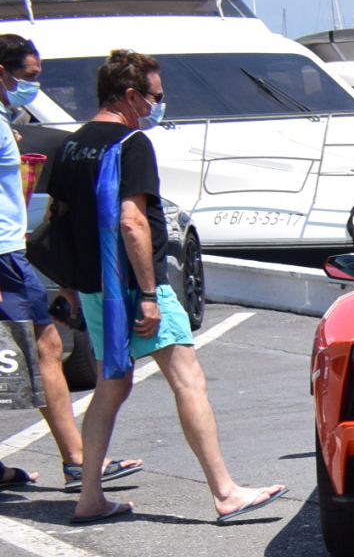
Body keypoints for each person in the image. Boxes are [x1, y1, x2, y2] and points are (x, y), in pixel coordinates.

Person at [40, 48, 283, 525]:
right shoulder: (129, 144)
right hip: (129, 285)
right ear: (132, 96)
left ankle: (89, 496)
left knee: (112, 385)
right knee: (188, 379)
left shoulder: (71, 145)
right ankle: (226, 492)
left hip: (92, 288)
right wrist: (150, 294)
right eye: (156, 97)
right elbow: (133, 223)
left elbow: (58, 220)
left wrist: (67, 286)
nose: (158, 105)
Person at [0, 34, 109, 490]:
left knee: (30, 349)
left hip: (8, 248)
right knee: (46, 347)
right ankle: (78, 460)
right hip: (4, 254)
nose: (33, 86)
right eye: (29, 77)